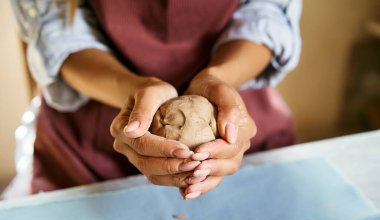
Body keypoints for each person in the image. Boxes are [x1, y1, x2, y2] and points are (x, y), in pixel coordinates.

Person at [11, 0, 302, 199]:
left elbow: (266, 11)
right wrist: (134, 90)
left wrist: (219, 78)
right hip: (89, 135)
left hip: (233, 107)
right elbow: (58, 29)